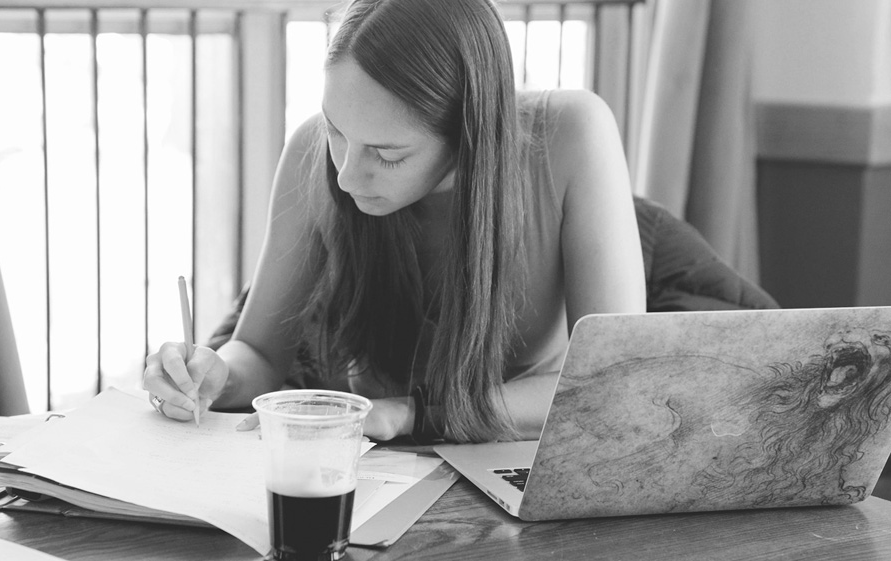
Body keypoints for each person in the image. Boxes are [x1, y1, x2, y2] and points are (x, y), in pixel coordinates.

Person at [143, 0, 646, 444]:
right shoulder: (308, 151)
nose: (344, 177)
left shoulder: (574, 132)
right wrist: (215, 375)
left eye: (386, 155)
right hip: (370, 466)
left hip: (521, 453)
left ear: (469, 135)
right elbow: (259, 352)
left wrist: (415, 415)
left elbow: (615, 379)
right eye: (336, 131)